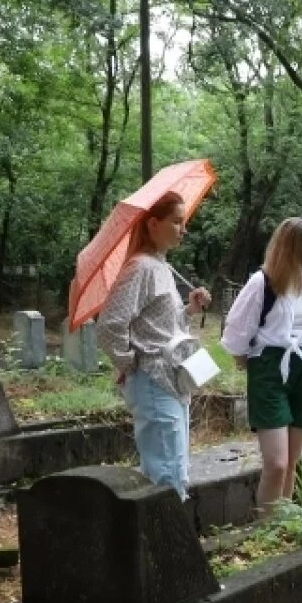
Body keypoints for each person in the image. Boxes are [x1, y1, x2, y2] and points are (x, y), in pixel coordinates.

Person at [99, 190, 212, 500]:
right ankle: (165, 543)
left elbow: (163, 326)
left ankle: (164, 541)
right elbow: (110, 325)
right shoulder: (140, 268)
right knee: (166, 472)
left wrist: (189, 309)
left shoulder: (161, 265)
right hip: (153, 381)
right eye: (176, 222)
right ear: (152, 224)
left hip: (172, 380)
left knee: (174, 466)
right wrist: (130, 363)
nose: (183, 229)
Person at [221, 217, 302, 514]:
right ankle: (266, 529)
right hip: (271, 367)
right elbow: (237, 329)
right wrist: (243, 358)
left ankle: (285, 524)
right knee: (276, 463)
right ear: (289, 250)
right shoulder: (262, 282)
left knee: (292, 461)